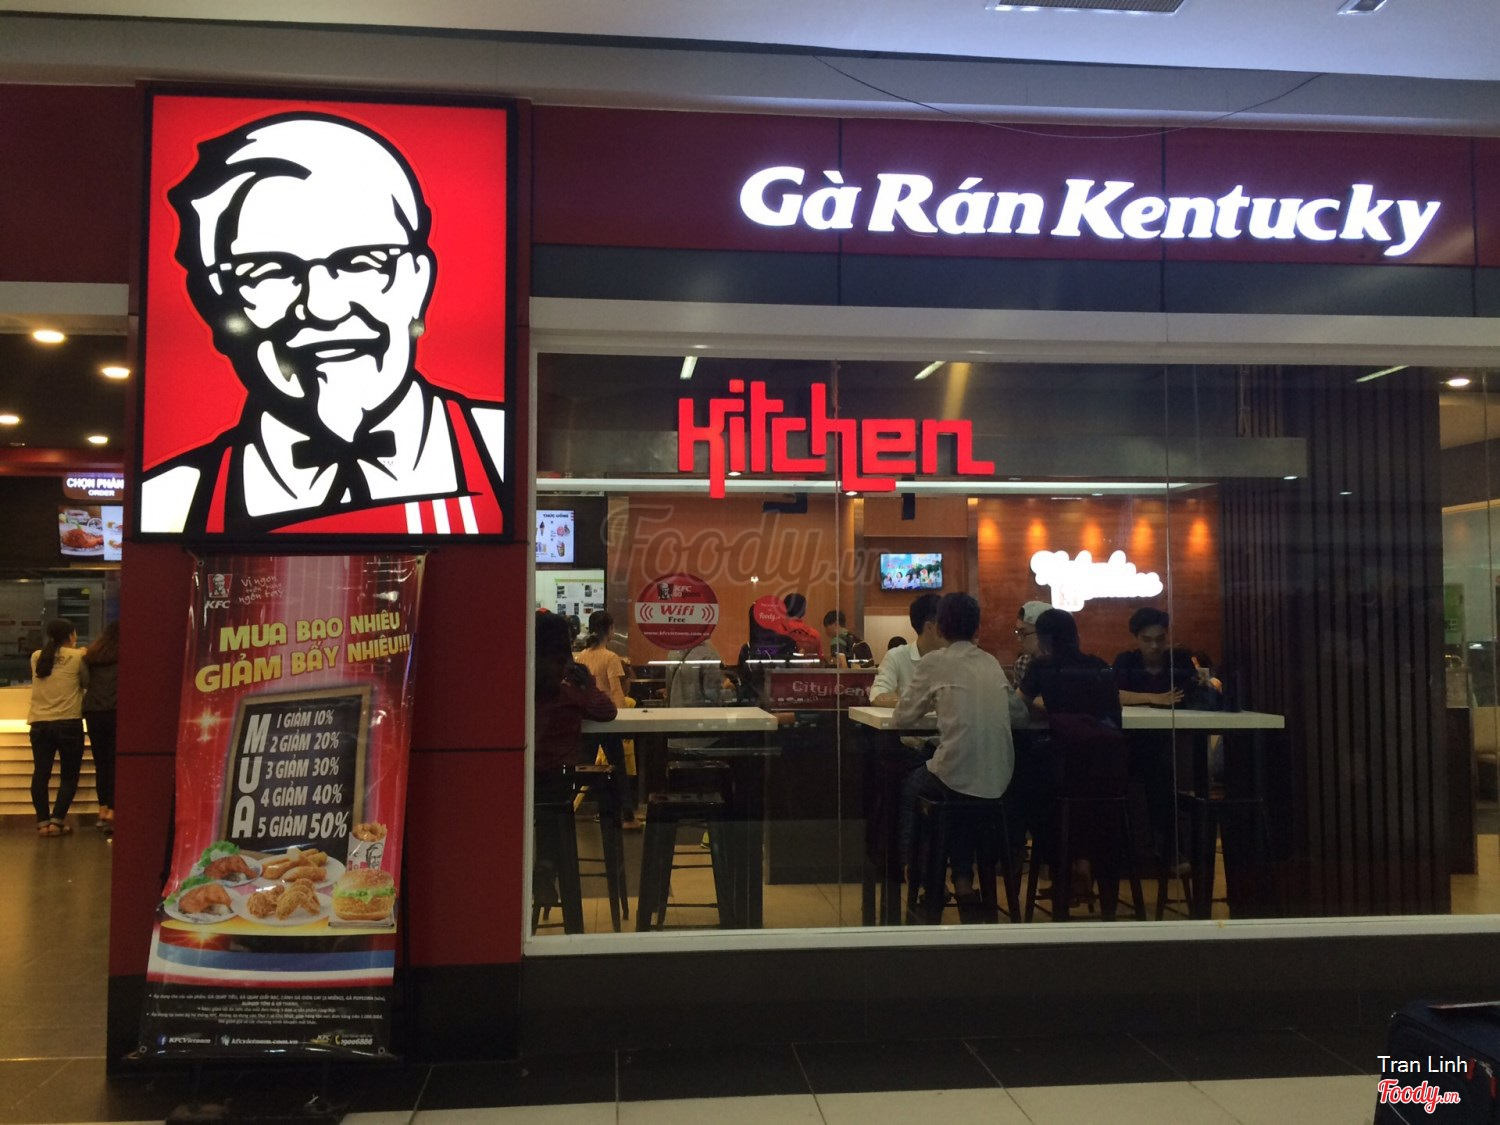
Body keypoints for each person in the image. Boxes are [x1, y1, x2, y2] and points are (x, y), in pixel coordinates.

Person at [139, 112, 507, 537]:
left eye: (362, 262)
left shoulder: (501, 450)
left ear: (418, 282)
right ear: (216, 306)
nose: (323, 308)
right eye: (268, 271)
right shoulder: (170, 502)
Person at [893, 593, 1017, 903]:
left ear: (939, 627)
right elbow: (1018, 713)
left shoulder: (935, 662)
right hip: (999, 779)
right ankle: (963, 881)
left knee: (913, 788)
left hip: (957, 776)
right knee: (959, 803)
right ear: (977, 628)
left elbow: (902, 717)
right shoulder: (990, 662)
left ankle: (919, 874)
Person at [576, 612, 639, 829]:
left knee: (584, 768)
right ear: (610, 629)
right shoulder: (611, 658)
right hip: (608, 721)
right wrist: (625, 720)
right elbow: (616, 692)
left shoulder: (581, 657)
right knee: (618, 768)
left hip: (588, 720)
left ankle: (570, 809)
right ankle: (628, 816)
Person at [28, 618, 89, 837]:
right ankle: (57, 822)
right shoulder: (78, 657)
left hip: (39, 723)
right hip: (68, 722)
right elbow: (86, 683)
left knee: (41, 773)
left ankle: (42, 823)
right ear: (71, 635)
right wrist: (81, 653)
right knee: (69, 776)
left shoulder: (36, 656)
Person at [868, 592, 941, 707]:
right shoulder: (897, 657)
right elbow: (878, 696)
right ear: (929, 628)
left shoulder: (953, 658)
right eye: (945, 623)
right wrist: (920, 704)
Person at [1112, 606, 1195, 707]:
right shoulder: (1126, 661)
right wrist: (1152, 698)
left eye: (1160, 639)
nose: (1154, 646)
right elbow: (1111, 694)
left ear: (1167, 636)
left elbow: (1194, 693)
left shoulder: (1180, 660)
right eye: (1147, 640)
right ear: (1136, 638)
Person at [82, 620, 120, 830]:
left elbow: (85, 682)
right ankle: (113, 809)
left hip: (93, 712)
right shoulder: (125, 655)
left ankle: (102, 809)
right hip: (115, 710)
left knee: (101, 763)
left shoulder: (92, 655)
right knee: (115, 762)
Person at [1011, 600, 1052, 687]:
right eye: (1018, 632)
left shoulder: (1066, 664)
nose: (1019, 639)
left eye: (1023, 633)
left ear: (1042, 633)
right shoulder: (1022, 663)